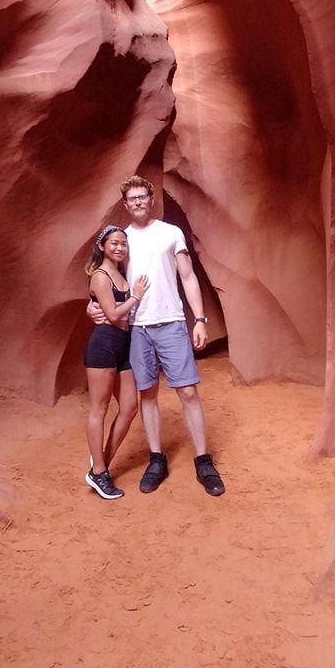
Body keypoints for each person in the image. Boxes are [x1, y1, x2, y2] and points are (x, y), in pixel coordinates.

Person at [87, 176, 226, 496]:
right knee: (147, 394)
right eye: (131, 198)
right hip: (137, 329)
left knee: (188, 392)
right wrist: (90, 308)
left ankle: (203, 460)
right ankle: (156, 459)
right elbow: (105, 278)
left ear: (151, 200)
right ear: (125, 204)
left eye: (142, 196)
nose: (137, 202)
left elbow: (188, 277)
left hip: (172, 322)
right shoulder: (122, 239)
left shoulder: (170, 233)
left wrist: (200, 320)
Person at [81, 224, 149, 500]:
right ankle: (99, 471)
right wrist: (136, 296)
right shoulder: (100, 276)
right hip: (104, 345)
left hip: (124, 344)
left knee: (130, 406)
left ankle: (101, 463)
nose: (120, 248)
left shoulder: (120, 273)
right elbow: (110, 314)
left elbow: (101, 309)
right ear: (102, 246)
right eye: (114, 243)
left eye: (123, 243)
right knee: (100, 409)